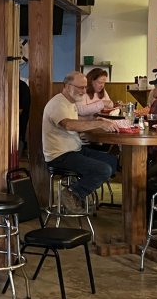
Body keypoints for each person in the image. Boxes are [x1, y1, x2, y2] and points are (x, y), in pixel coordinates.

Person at [42, 72, 120, 202]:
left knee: (112, 161)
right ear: (68, 86)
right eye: (80, 87)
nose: (84, 91)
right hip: (59, 155)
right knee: (103, 169)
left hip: (74, 149)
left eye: (85, 87)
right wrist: (99, 124)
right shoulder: (58, 103)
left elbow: (75, 120)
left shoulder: (70, 101)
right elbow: (68, 124)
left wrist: (94, 122)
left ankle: (78, 184)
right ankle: (72, 193)